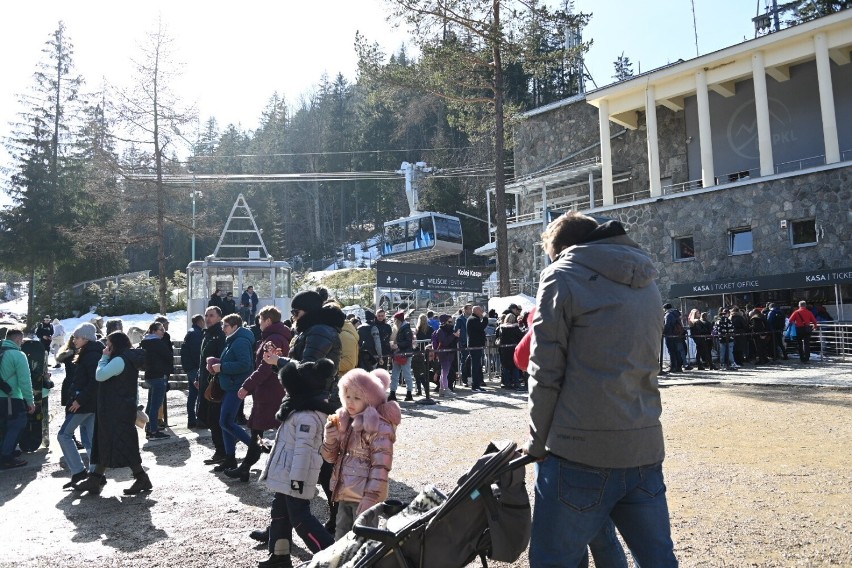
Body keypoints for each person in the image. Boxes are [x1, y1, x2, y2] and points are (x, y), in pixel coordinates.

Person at [524, 211, 678, 567]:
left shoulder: (561, 276)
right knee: (658, 560)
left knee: (553, 560)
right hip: (643, 442)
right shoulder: (647, 280)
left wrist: (536, 440)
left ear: (562, 248)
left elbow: (545, 371)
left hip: (578, 448)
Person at [259, 359, 337, 568]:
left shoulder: (306, 416)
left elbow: (304, 452)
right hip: (288, 474)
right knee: (280, 514)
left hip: (295, 477)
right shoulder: (300, 411)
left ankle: (333, 555)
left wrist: (297, 480)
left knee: (301, 518)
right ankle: (279, 556)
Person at [321, 367, 402, 540]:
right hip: (344, 492)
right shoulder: (345, 420)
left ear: (370, 399)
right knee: (341, 540)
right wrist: (329, 440)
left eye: (357, 398)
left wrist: (371, 498)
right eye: (347, 396)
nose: (350, 402)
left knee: (363, 542)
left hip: (365, 497)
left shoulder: (379, 426)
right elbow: (330, 458)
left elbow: (381, 465)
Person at [74, 331, 152, 495]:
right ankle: (95, 479)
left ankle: (141, 478)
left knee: (122, 443)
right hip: (118, 408)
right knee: (107, 442)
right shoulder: (126, 358)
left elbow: (100, 376)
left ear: (114, 344)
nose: (106, 346)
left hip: (116, 410)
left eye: (108, 343)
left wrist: (103, 358)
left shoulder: (119, 360)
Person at [225, 306, 290, 482]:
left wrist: (247, 386)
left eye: (260, 320)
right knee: (262, 431)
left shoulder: (273, 339)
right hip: (273, 391)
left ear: (268, 320)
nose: (259, 324)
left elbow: (265, 367)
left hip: (269, 393)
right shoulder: (278, 337)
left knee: (261, 431)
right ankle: (246, 467)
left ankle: (249, 467)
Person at [209, 314, 256, 473]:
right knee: (226, 423)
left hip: (235, 386)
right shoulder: (234, 340)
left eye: (225, 326)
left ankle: (253, 447)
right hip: (231, 386)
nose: (223, 329)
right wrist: (217, 362)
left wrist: (221, 367)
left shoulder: (240, 341)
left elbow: (245, 364)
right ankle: (230, 458)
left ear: (235, 326)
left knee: (226, 422)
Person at [57, 323, 102, 488]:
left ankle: (79, 471)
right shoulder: (91, 352)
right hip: (90, 404)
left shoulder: (90, 355)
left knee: (63, 435)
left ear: (85, 338)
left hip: (83, 404)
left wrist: (79, 400)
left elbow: (94, 381)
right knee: (89, 440)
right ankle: (96, 475)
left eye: (76, 337)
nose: (73, 340)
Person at [0, 329, 35, 469]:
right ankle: (6, 457)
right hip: (12, 398)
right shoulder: (18, 355)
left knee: (3, 426)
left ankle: (5, 451)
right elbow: (25, 381)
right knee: (17, 424)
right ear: (18, 340)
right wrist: (30, 401)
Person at [197, 306, 228, 465]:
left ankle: (222, 450)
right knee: (204, 416)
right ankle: (222, 448)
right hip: (205, 381)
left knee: (213, 418)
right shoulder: (207, 334)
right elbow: (202, 360)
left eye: (211, 316)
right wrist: (198, 378)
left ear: (219, 317)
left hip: (215, 382)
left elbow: (219, 359)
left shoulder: (219, 335)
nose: (208, 318)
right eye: (206, 315)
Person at [140, 321, 174, 440]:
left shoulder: (144, 342)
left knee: (150, 405)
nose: (163, 332)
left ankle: (149, 429)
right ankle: (153, 431)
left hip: (149, 376)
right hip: (159, 376)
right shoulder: (157, 343)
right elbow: (169, 356)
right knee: (155, 406)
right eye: (161, 330)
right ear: (154, 331)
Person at [182, 314, 205, 428]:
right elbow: (197, 353)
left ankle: (192, 419)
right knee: (199, 394)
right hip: (195, 368)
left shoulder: (191, 332)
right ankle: (198, 419)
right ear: (200, 321)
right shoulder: (196, 334)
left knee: (193, 395)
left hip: (190, 367)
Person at [388, 311, 414, 402]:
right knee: (396, 374)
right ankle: (393, 392)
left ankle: (408, 392)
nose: (394, 321)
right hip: (399, 353)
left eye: (395, 320)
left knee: (405, 374)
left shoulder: (405, 328)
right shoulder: (402, 328)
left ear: (398, 320)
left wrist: (397, 345)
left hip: (404, 354)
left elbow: (408, 341)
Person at [432, 314, 459, 397]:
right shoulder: (440, 331)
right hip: (444, 353)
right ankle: (446, 389)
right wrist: (454, 335)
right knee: (445, 372)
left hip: (449, 353)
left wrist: (456, 336)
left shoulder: (449, 330)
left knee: (444, 372)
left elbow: (452, 341)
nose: (451, 324)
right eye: (449, 322)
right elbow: (445, 342)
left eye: (452, 322)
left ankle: (441, 389)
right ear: (444, 322)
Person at [497, 313, 523, 390]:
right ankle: (516, 383)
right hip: (514, 349)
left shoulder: (501, 328)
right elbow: (520, 337)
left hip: (504, 349)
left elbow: (499, 338)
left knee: (506, 367)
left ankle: (506, 383)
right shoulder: (515, 328)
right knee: (515, 366)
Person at [466, 306, 488, 392]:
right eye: (480, 310)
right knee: (475, 366)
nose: (482, 312)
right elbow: (481, 327)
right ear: (476, 311)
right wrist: (485, 318)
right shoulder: (473, 319)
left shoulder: (474, 319)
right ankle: (475, 386)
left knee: (478, 366)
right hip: (475, 346)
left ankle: (477, 384)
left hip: (476, 345)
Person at [663, 303, 687, 372]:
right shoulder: (676, 314)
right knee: (677, 351)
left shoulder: (668, 315)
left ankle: (673, 367)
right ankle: (679, 367)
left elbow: (667, 325)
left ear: (665, 309)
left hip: (670, 335)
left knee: (671, 351)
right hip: (677, 335)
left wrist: (664, 332)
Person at [454, 305, 472, 386]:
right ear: (465, 310)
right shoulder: (460, 319)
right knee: (464, 361)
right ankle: (464, 380)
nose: (471, 310)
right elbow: (456, 330)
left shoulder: (472, 317)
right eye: (469, 308)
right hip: (463, 343)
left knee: (473, 362)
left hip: (472, 342)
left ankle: (473, 379)